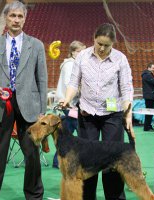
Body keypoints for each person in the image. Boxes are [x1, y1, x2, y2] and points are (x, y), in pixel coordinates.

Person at [0, 1, 47, 199]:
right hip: (3, 104)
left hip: (30, 107)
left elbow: (42, 79)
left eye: (20, 16)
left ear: (25, 19)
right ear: (5, 18)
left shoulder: (36, 45)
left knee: (32, 155)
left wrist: (42, 110)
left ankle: (34, 195)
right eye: (12, 16)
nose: (16, 20)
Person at [60, 23, 134, 200]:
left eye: (107, 45)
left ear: (113, 43)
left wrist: (128, 114)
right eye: (99, 43)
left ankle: (115, 197)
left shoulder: (120, 59)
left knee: (113, 160)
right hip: (87, 115)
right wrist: (67, 98)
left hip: (113, 116)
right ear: (94, 39)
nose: (102, 48)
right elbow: (73, 82)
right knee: (86, 162)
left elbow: (126, 87)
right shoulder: (82, 57)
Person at [53, 41, 86, 168]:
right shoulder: (69, 65)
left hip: (71, 105)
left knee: (68, 133)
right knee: (77, 131)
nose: (81, 54)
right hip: (68, 104)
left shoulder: (74, 64)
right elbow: (69, 85)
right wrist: (82, 89)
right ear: (72, 51)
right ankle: (61, 160)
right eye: (79, 51)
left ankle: (60, 160)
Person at [141, 62, 154, 132]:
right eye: (153, 68)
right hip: (149, 96)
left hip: (149, 95)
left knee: (149, 111)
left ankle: (148, 126)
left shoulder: (147, 74)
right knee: (149, 111)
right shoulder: (147, 75)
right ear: (149, 67)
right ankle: (147, 127)